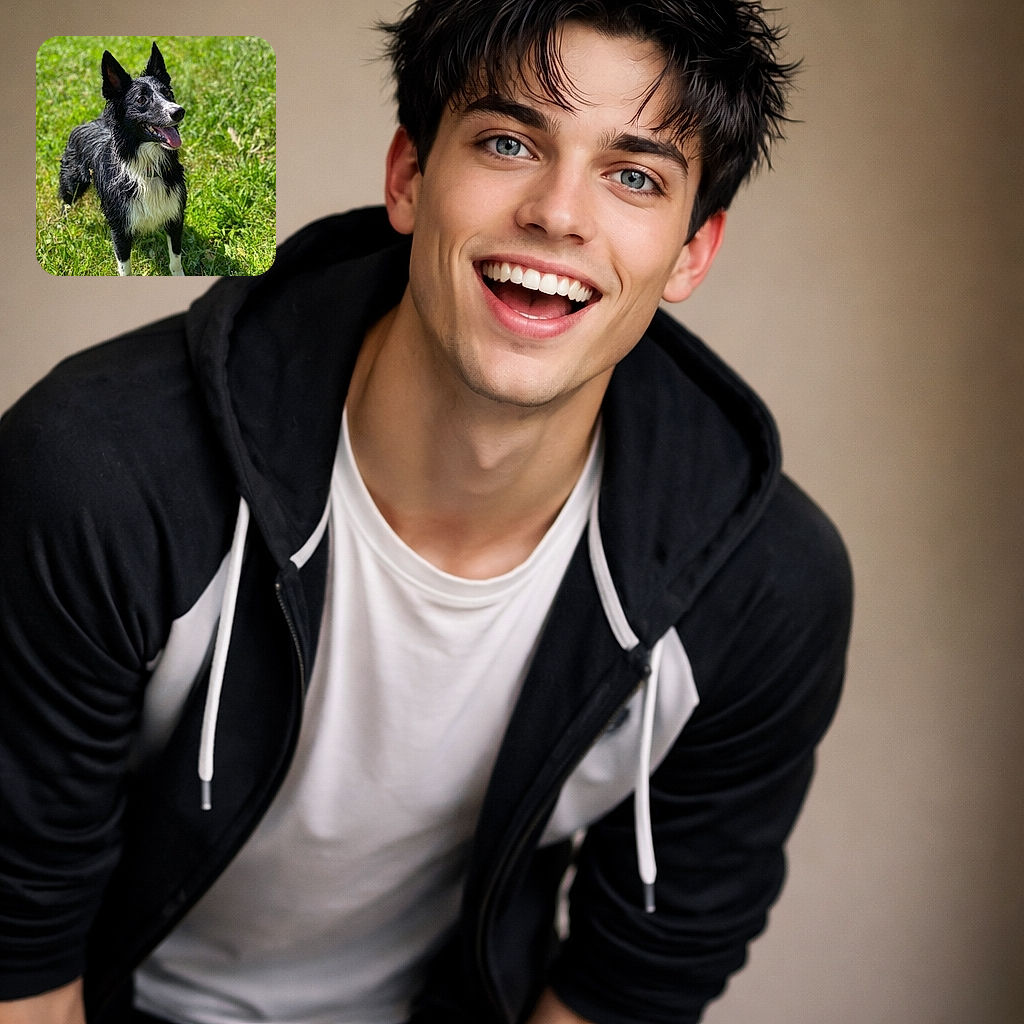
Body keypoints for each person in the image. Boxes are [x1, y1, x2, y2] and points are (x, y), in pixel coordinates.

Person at [0, 2, 853, 1022]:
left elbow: (635, 981)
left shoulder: (760, 590)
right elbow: (17, 940)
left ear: (689, 253)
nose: (558, 212)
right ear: (408, 176)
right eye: (507, 141)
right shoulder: (104, 471)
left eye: (634, 175)